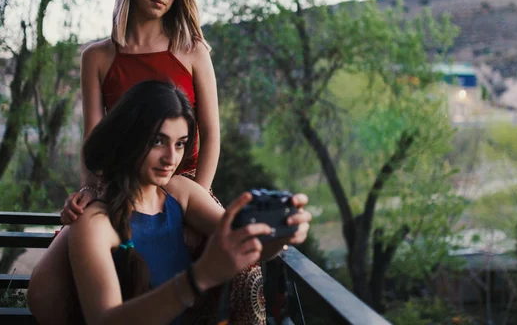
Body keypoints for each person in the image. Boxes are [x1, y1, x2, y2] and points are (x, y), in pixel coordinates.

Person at [27, 81, 313, 325]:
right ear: (129, 138)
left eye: (180, 144)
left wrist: (280, 234)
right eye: (158, 142)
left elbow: (244, 243)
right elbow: (104, 320)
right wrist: (198, 277)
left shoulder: (180, 192)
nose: (171, 158)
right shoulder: (95, 224)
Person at [62, 0, 220, 223]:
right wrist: (88, 189)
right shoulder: (96, 57)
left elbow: (210, 135)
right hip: (122, 191)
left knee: (239, 259)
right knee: (73, 248)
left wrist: (196, 200)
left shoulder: (193, 52)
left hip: (184, 187)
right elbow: (92, 140)